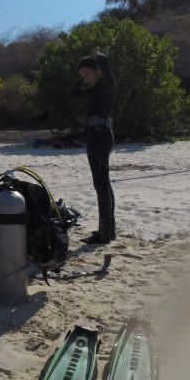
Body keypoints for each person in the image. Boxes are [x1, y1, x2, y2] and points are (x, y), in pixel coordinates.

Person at [69, 52, 116, 245]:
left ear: (98, 71)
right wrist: (82, 75)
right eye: (83, 76)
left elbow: (106, 64)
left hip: (101, 136)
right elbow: (73, 92)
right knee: (103, 184)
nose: (85, 79)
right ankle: (108, 230)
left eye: (88, 74)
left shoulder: (107, 85)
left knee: (102, 184)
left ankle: (105, 233)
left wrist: (97, 57)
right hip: (96, 136)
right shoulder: (95, 88)